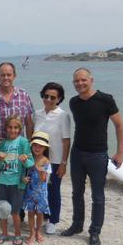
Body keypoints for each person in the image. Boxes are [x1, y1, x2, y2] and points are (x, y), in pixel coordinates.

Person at [61, 68, 123, 245]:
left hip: (98, 155)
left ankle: (95, 231)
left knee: (98, 196)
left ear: (91, 80)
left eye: (83, 80)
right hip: (78, 153)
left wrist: (120, 152)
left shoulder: (105, 99)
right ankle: (76, 225)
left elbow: (119, 126)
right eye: (76, 81)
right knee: (76, 193)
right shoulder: (74, 102)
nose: (80, 83)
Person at [0, 62, 34, 232]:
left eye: (9, 74)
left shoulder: (24, 95)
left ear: (14, 76)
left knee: (19, 185)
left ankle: (19, 216)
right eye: (3, 74)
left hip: (19, 153)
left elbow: (28, 122)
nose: (6, 77)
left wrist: (31, 146)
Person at [33, 82, 71, 234]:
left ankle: (53, 220)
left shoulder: (63, 116)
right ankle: (44, 216)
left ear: (59, 99)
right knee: (41, 189)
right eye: (46, 96)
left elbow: (66, 141)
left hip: (55, 161)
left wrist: (63, 163)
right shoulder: (37, 114)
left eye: (53, 97)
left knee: (54, 190)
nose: (48, 99)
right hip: (40, 160)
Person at [0, 116, 33, 245]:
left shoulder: (23, 142)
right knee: (2, 210)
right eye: (10, 127)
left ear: (20, 129)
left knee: (15, 212)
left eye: (16, 128)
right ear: (6, 128)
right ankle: (4, 233)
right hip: (3, 181)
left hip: (17, 183)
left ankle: (17, 234)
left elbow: (30, 163)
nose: (13, 130)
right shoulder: (3, 144)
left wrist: (25, 160)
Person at [23, 131, 52, 245]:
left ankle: (38, 231)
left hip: (41, 191)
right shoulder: (29, 158)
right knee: (30, 212)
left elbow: (44, 179)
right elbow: (25, 173)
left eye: (40, 146)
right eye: (35, 145)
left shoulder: (46, 160)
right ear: (31, 146)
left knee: (39, 213)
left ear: (45, 148)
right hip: (30, 189)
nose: (37, 148)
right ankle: (31, 233)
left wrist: (39, 170)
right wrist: (24, 179)